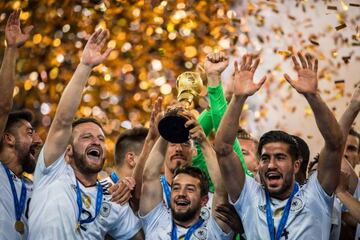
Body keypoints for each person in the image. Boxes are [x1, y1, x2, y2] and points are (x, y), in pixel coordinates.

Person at [214, 52, 344, 239]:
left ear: (297, 165)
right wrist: (238, 99)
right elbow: (223, 148)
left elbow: (335, 144)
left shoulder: (316, 195)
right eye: (265, 158)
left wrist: (313, 96)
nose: (271, 165)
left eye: (280, 157)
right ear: (258, 164)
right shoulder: (250, 197)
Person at [28, 28, 143, 239]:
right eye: (87, 137)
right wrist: (85, 66)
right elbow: (63, 119)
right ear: (68, 151)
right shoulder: (53, 170)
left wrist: (133, 188)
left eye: (101, 138)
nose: (97, 142)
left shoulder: (112, 192)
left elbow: (140, 236)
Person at [139, 113, 233, 239]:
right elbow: (149, 175)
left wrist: (203, 141)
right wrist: (168, 126)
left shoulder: (214, 229)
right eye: (176, 188)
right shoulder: (157, 220)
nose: (181, 193)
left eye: (190, 189)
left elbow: (221, 188)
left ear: (204, 200)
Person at [0, 10, 39, 240]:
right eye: (30, 132)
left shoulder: (38, 189)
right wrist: (12, 49)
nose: (39, 140)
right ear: (8, 138)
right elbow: (3, 105)